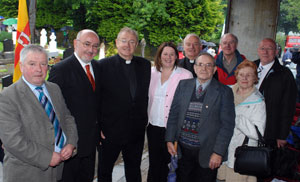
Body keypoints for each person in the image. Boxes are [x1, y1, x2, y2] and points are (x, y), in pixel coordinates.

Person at [0, 45, 78, 182]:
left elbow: (67, 118)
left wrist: (71, 142)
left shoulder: (54, 89)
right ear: (21, 66)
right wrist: (47, 157)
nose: (39, 69)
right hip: (27, 174)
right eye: (32, 64)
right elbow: (13, 140)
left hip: (57, 172)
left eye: (43, 64)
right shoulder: (8, 97)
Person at [165, 52, 235, 182]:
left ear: (214, 70)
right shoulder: (183, 85)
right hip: (183, 150)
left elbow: (227, 125)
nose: (204, 68)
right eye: (200, 64)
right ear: (195, 68)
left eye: (208, 65)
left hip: (208, 153)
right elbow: (173, 114)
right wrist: (169, 139)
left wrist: (218, 152)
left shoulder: (224, 92)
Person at [97, 27, 151, 182]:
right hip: (110, 130)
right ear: (116, 42)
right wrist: (98, 126)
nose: (128, 45)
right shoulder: (102, 66)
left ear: (136, 44)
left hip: (136, 131)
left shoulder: (145, 65)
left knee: (134, 170)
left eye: (132, 41)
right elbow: (97, 98)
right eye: (124, 41)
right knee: (105, 170)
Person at [48, 29, 100, 182]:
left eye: (95, 46)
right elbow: (52, 106)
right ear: (76, 43)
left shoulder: (97, 67)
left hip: (91, 143)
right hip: (70, 144)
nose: (91, 50)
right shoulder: (61, 70)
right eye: (87, 44)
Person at [147, 42, 193, 182]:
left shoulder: (185, 75)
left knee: (170, 164)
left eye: (172, 54)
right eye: (165, 54)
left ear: (176, 56)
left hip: (172, 128)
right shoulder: (151, 73)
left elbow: (188, 104)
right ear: (160, 56)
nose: (168, 57)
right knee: (154, 163)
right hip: (153, 125)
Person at [217, 60, 266, 182]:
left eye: (249, 75)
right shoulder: (226, 92)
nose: (244, 78)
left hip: (240, 156)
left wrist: (234, 116)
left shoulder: (258, 101)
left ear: (255, 78)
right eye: (241, 74)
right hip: (221, 152)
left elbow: (257, 134)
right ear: (236, 75)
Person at [254, 38, 297, 149]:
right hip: (246, 128)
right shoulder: (249, 67)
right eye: (262, 48)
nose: (265, 52)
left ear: (276, 52)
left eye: (270, 48)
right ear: (258, 50)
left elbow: (288, 106)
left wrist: (282, 135)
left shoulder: (284, 74)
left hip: (270, 131)